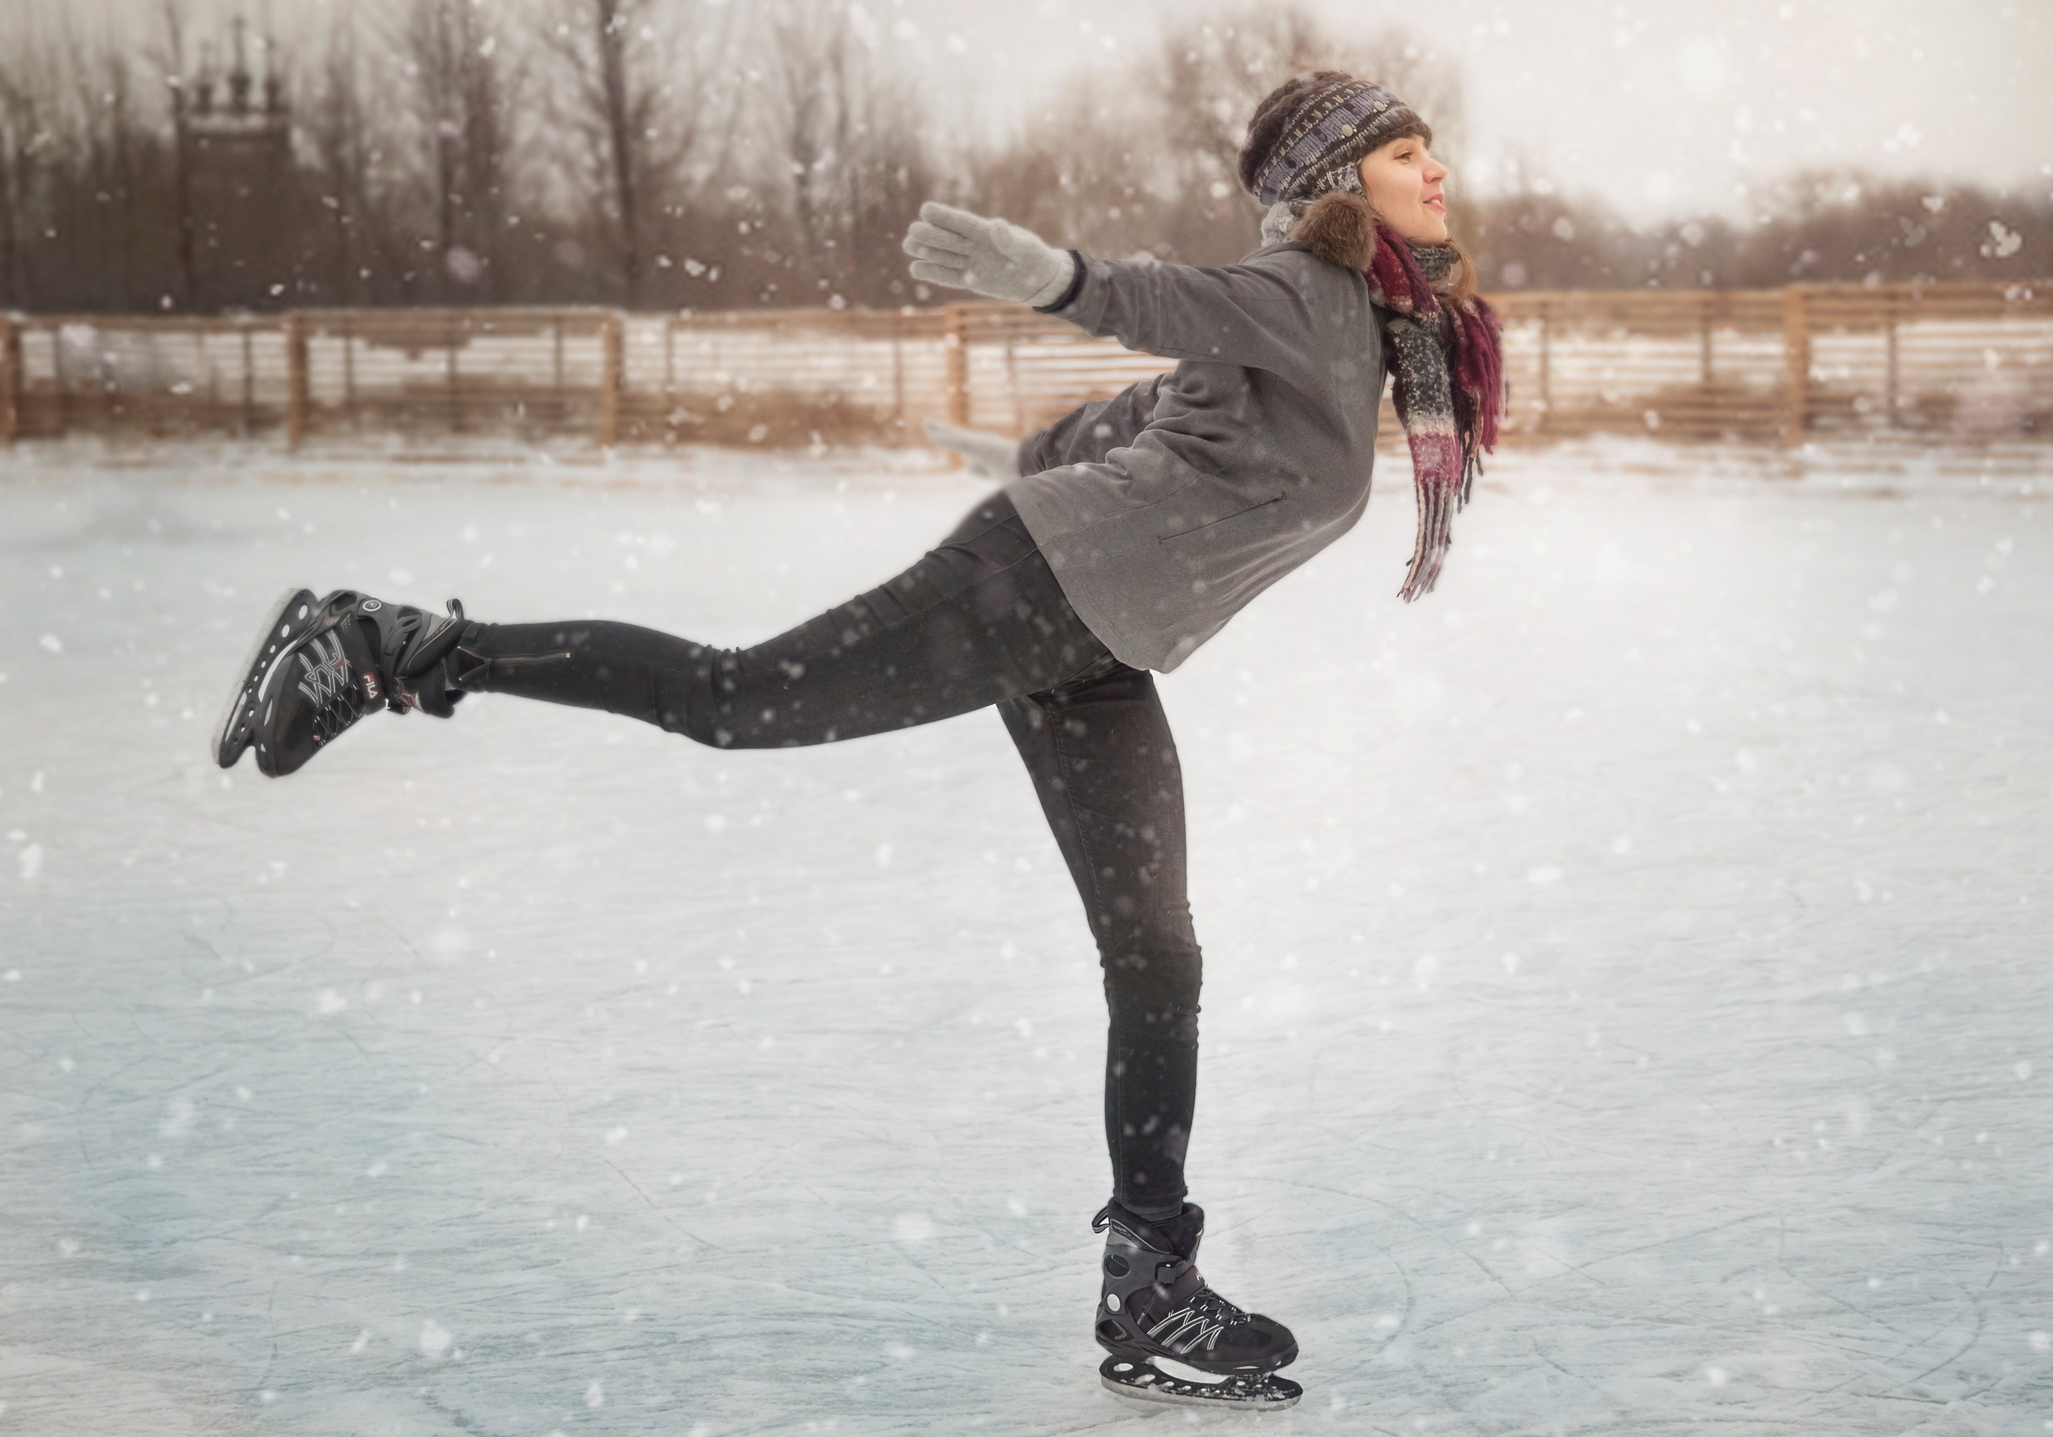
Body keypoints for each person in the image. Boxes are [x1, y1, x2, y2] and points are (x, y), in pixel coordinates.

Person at [208, 71, 1502, 1409]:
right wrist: (1053, 275)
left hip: (1100, 650)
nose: (1437, 169)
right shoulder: (1308, 293)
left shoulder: (1380, 336)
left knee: (1156, 953)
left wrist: (1022, 445)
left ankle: (1148, 1274)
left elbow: (1159, 411)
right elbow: (1160, 302)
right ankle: (390, 645)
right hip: (1033, 586)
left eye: (1432, 147)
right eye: (1407, 151)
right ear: (1340, 184)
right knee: (733, 696)